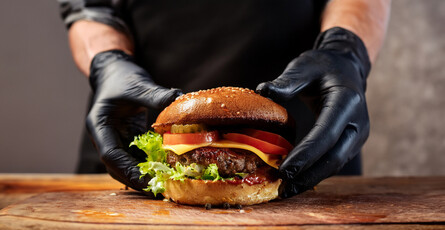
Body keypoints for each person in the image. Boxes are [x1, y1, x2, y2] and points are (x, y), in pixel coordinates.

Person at [59, 0, 390, 197]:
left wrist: (346, 52)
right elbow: (88, 6)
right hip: (133, 123)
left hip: (308, 135)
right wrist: (107, 63)